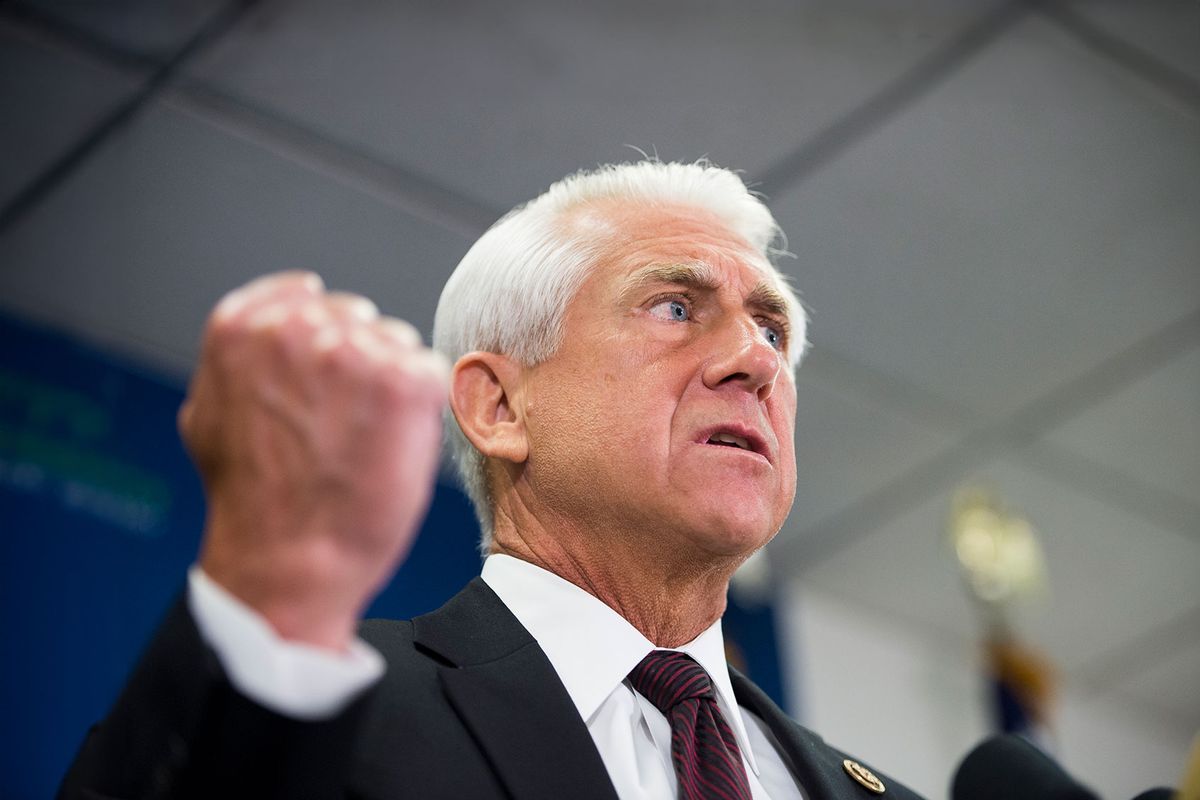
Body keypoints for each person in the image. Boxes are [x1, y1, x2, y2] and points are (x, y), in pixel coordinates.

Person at [59, 160, 924, 799]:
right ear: (499, 405)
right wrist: (267, 600)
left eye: (772, 330)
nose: (753, 360)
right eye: (675, 308)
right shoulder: (312, 709)